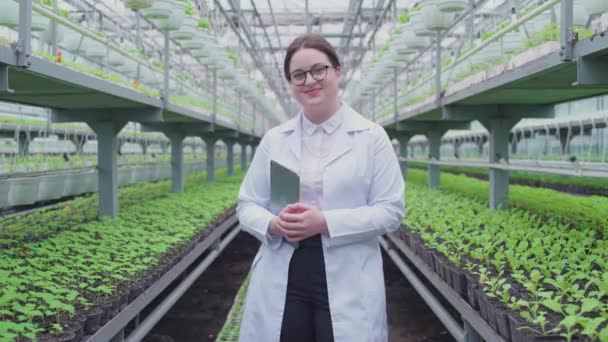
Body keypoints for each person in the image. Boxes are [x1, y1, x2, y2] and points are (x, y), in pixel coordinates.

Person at [236, 33, 405, 342]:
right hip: (286, 268)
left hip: (348, 270)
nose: (309, 80)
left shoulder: (371, 137)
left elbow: (390, 210)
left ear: (337, 72)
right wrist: (273, 224)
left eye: (319, 69)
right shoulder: (276, 140)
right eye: (298, 75)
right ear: (290, 82)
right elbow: (247, 204)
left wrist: (324, 222)